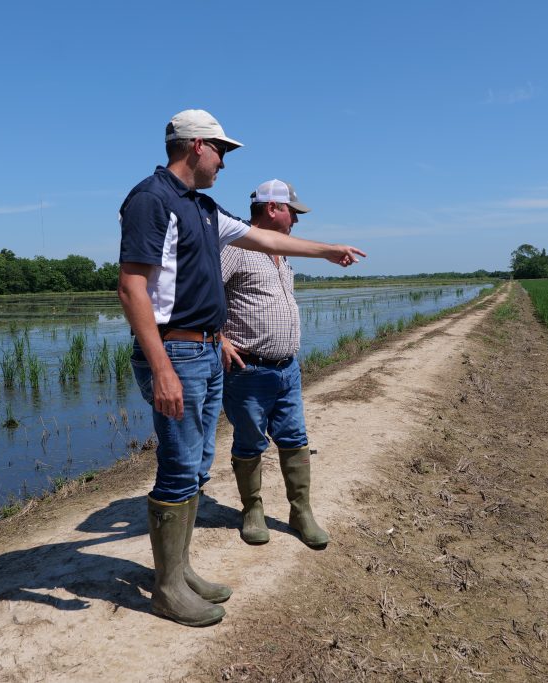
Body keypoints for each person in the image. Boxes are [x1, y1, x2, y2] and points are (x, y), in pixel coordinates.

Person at [118, 110, 365, 627]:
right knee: (180, 465)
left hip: (206, 352)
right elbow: (132, 286)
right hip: (177, 352)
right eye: (222, 151)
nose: (224, 163)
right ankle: (166, 588)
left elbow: (267, 240)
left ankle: (180, 570)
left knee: (199, 461)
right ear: (196, 147)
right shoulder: (151, 200)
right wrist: (161, 366)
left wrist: (328, 250)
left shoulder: (203, 208)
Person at [219, 180, 327, 549]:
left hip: (287, 368)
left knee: (295, 437)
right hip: (248, 370)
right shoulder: (236, 247)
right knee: (250, 443)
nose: (296, 220)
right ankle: (252, 510)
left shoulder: (284, 255)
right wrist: (218, 339)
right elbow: (205, 293)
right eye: (292, 212)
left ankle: (301, 512)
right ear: (272, 209)